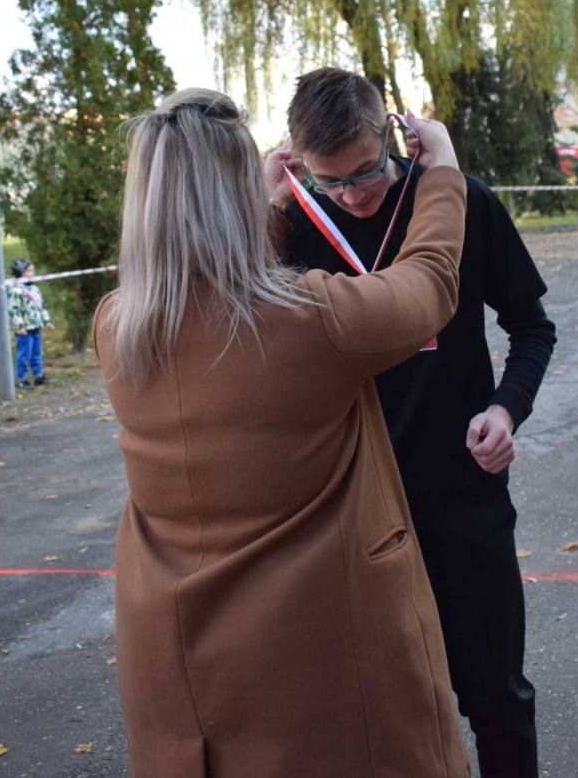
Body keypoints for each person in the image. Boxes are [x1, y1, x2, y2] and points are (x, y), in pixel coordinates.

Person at [95, 88, 471, 777]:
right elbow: (428, 283)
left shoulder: (118, 328)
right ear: (238, 192)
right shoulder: (313, 321)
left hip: (181, 674)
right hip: (318, 667)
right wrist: (442, 171)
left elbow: (208, 286)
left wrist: (269, 212)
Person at [267, 68, 555, 778]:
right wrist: (262, 211)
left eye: (367, 171)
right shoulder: (291, 223)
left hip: (462, 492)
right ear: (297, 161)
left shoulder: (457, 203)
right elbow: (248, 348)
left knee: (495, 694)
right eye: (331, 180)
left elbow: (532, 327)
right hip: (348, 508)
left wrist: (504, 407)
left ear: (393, 135)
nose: (354, 194)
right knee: (375, 707)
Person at [7, 258, 51, 388]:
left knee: (37, 352)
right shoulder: (16, 291)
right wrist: (19, 326)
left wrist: (46, 320)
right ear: (20, 272)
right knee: (24, 354)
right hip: (25, 329)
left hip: (36, 326)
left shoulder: (35, 289)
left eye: (33, 270)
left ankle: (38, 375)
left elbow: (41, 306)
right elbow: (14, 310)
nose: (33, 273)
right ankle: (22, 378)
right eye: (29, 270)